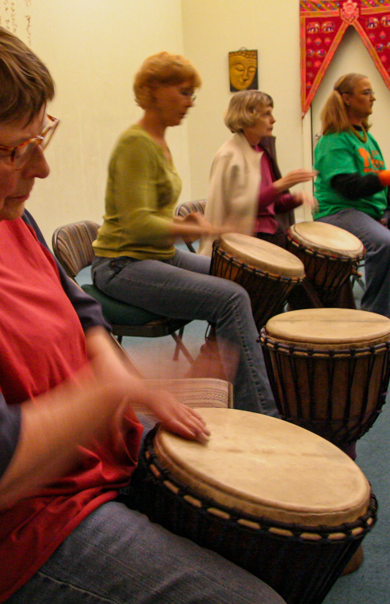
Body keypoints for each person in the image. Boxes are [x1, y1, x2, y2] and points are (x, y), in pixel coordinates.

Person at [0, 24, 285, 604]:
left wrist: (116, 376)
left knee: (261, 531)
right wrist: (119, 387)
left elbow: (81, 307)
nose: (40, 169)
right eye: (18, 150)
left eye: (43, 137)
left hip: (77, 470)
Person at [92, 53, 279, 418]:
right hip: (121, 264)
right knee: (232, 297)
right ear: (152, 91)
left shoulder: (159, 141)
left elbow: (153, 213)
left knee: (241, 277)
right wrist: (196, 228)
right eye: (182, 92)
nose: (190, 102)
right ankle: (262, 414)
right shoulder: (136, 144)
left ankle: (216, 380)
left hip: (153, 255)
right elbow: (136, 224)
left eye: (192, 93)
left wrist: (187, 219)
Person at [312, 73, 390, 318]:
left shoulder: (366, 137)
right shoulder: (334, 140)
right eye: (366, 92)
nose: (373, 98)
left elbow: (382, 179)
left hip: (369, 210)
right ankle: (375, 316)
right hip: (339, 212)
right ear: (348, 99)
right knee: (386, 243)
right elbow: (349, 186)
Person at [200, 90, 317, 254]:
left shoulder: (260, 151)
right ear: (247, 118)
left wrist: (296, 199)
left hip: (268, 234)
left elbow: (270, 206)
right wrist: (281, 184)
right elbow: (241, 208)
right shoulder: (229, 155)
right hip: (246, 240)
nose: (273, 120)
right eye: (266, 114)